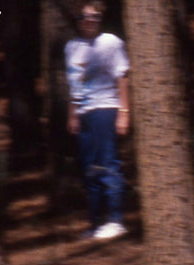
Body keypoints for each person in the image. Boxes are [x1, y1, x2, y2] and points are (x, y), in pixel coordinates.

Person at [65, 2, 130, 241]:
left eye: (95, 16)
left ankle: (115, 220)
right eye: (85, 16)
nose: (90, 20)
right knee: (89, 168)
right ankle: (95, 222)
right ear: (78, 20)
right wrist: (72, 114)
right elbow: (74, 83)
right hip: (84, 114)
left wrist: (124, 111)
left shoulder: (110, 43)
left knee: (108, 164)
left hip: (105, 108)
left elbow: (122, 76)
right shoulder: (72, 47)